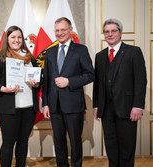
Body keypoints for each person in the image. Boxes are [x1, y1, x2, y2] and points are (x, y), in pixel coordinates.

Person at [93, 18, 147, 167]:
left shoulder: (133, 52)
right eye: (107, 32)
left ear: (121, 33)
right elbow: (97, 84)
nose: (110, 34)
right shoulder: (100, 56)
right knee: (111, 149)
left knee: (126, 149)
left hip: (127, 108)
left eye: (113, 31)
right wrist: (96, 105)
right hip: (106, 111)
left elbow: (141, 80)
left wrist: (138, 106)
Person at [42, 17, 95, 167]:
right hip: (54, 106)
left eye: (63, 30)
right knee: (58, 142)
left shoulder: (81, 50)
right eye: (57, 30)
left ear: (71, 30)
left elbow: (90, 74)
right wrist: (45, 104)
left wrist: (69, 81)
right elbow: (46, 80)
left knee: (75, 141)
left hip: (73, 105)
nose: (60, 33)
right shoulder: (50, 52)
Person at [0, 25, 40, 167]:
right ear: (7, 40)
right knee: (8, 143)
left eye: (19, 37)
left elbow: (38, 82)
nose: (16, 40)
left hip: (29, 107)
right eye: (13, 37)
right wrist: (3, 89)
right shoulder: (0, 59)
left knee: (23, 142)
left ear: (22, 40)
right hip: (9, 108)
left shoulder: (31, 59)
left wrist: (36, 84)